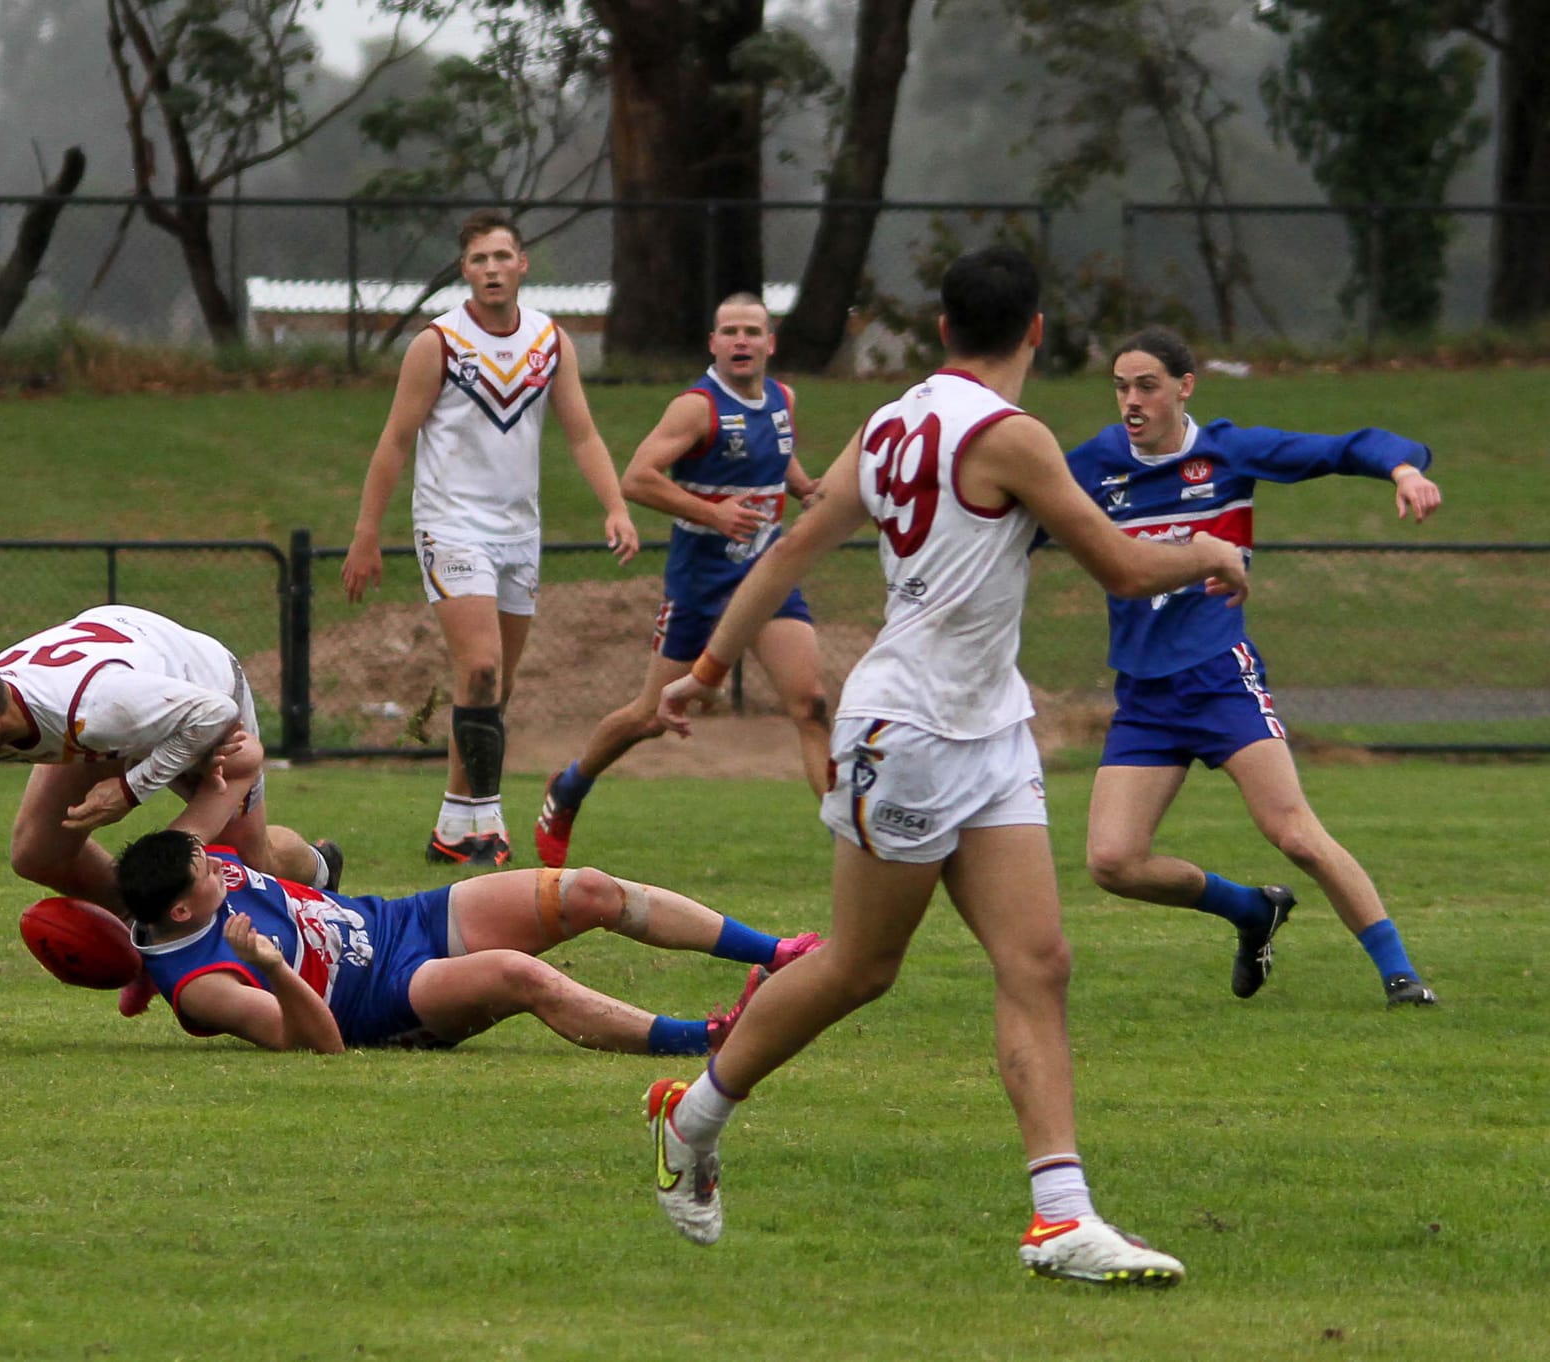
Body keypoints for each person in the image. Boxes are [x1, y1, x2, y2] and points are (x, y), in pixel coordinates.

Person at [637, 247, 1252, 1286]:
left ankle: (1059, 1219)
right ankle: (689, 1117)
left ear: (938, 330)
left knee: (1038, 961)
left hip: (986, 726)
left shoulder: (890, 420)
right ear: (1037, 333)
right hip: (909, 732)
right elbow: (1117, 564)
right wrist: (1207, 552)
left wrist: (704, 665)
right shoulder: (1009, 436)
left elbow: (786, 551)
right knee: (857, 968)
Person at [1065, 326, 1443, 1009]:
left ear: (1185, 387)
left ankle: (1400, 975)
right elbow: (1014, 512)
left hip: (1217, 676)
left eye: (1147, 385)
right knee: (1113, 863)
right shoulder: (1092, 465)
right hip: (1144, 694)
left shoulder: (1228, 452)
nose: (1131, 401)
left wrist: (1405, 468)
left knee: (1295, 833)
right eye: (1121, 386)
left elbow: (1342, 448)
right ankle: (1250, 910)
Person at [342, 208, 640, 868]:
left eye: (502, 257)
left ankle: (453, 826)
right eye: (479, 260)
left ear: (522, 263)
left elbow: (583, 434)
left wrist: (615, 506)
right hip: (451, 526)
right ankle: (489, 824)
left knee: (491, 687)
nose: (492, 270)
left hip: (518, 535)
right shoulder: (438, 345)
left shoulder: (549, 341)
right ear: (465, 270)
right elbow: (394, 441)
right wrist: (368, 534)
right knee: (478, 667)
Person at [535, 294, 830, 868]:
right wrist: (713, 513)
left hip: (766, 578)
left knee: (811, 704)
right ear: (713, 344)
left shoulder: (783, 399)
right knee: (649, 717)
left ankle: (853, 841)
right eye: (729, 332)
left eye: (752, 331)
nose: (741, 341)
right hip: (701, 583)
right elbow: (638, 478)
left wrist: (805, 489)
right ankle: (569, 787)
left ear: (771, 343)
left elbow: (780, 456)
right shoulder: (697, 407)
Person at [0, 604, 339, 987]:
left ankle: (320, 869)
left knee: (251, 859)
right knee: (39, 852)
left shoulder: (97, 705)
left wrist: (130, 789)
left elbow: (213, 713)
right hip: (121, 695)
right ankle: (151, 937)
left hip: (201, 693)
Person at [115, 827, 821, 1054]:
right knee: (519, 975)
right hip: (385, 1000)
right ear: (182, 913)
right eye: (206, 872)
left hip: (400, 920)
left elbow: (269, 854)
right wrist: (273, 968)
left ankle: (776, 951)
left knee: (589, 890)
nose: (219, 866)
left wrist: (318, 863)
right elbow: (321, 1045)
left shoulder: (192, 878)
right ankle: (703, 1039)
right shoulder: (207, 985)